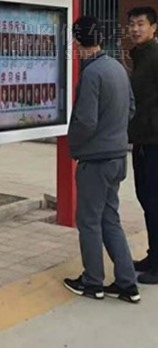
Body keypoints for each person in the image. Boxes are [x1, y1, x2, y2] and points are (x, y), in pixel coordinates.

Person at [64, 16, 139, 303]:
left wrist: (74, 145)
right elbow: (131, 108)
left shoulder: (92, 73)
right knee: (110, 219)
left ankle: (92, 282)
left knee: (89, 222)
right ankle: (127, 284)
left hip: (95, 160)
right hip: (117, 157)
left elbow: (85, 121)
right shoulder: (117, 67)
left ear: (77, 42)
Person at [126, 6, 158, 283]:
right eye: (132, 24)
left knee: (154, 200)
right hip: (142, 141)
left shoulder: (155, 58)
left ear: (153, 28)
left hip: (154, 142)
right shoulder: (140, 57)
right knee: (146, 199)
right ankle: (153, 255)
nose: (135, 29)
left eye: (141, 24)